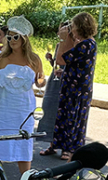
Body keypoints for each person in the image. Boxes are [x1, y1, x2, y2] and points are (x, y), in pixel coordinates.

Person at [0, 16, 46, 174]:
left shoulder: (33, 59)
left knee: (23, 141)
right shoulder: (1, 58)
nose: (12, 40)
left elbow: (40, 78)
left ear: (24, 38)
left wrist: (40, 81)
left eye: (15, 37)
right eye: (9, 37)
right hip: (3, 106)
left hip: (23, 107)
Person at [41, 12, 98, 161]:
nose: (71, 29)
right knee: (62, 117)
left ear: (81, 27)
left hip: (78, 90)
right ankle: (56, 145)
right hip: (71, 85)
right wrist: (64, 73)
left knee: (74, 119)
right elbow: (75, 63)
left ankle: (71, 149)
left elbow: (61, 58)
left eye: (73, 26)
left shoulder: (87, 44)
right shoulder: (83, 43)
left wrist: (62, 39)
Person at [36, 20, 72, 136]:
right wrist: (51, 60)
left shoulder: (73, 46)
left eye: (61, 30)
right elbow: (56, 65)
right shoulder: (58, 45)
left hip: (66, 79)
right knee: (49, 106)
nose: (58, 33)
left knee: (63, 111)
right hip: (55, 79)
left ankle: (61, 141)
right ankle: (50, 140)